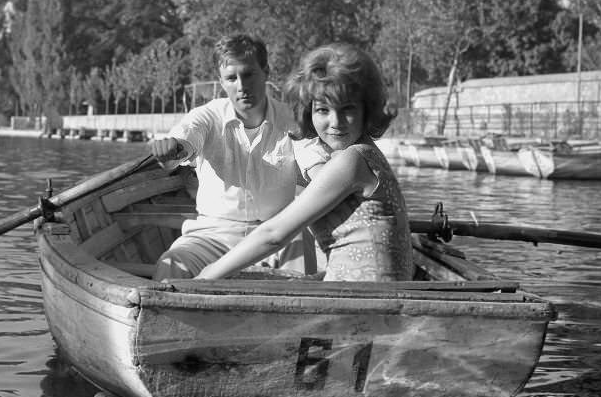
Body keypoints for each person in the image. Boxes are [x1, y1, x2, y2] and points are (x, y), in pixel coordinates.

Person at [198, 43, 413, 283]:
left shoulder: (352, 161)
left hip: (365, 302)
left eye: (348, 109)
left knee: (224, 278)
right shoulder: (362, 154)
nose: (336, 122)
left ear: (367, 109)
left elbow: (273, 235)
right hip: (367, 289)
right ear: (308, 111)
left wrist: (205, 276)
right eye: (323, 109)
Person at [150, 34, 302, 279]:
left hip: (278, 236)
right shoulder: (208, 117)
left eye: (249, 74)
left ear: (266, 72)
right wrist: (172, 148)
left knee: (310, 270)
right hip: (212, 237)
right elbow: (184, 142)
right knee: (172, 264)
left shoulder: (294, 123)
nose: (241, 85)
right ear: (222, 82)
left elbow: (317, 168)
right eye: (231, 78)